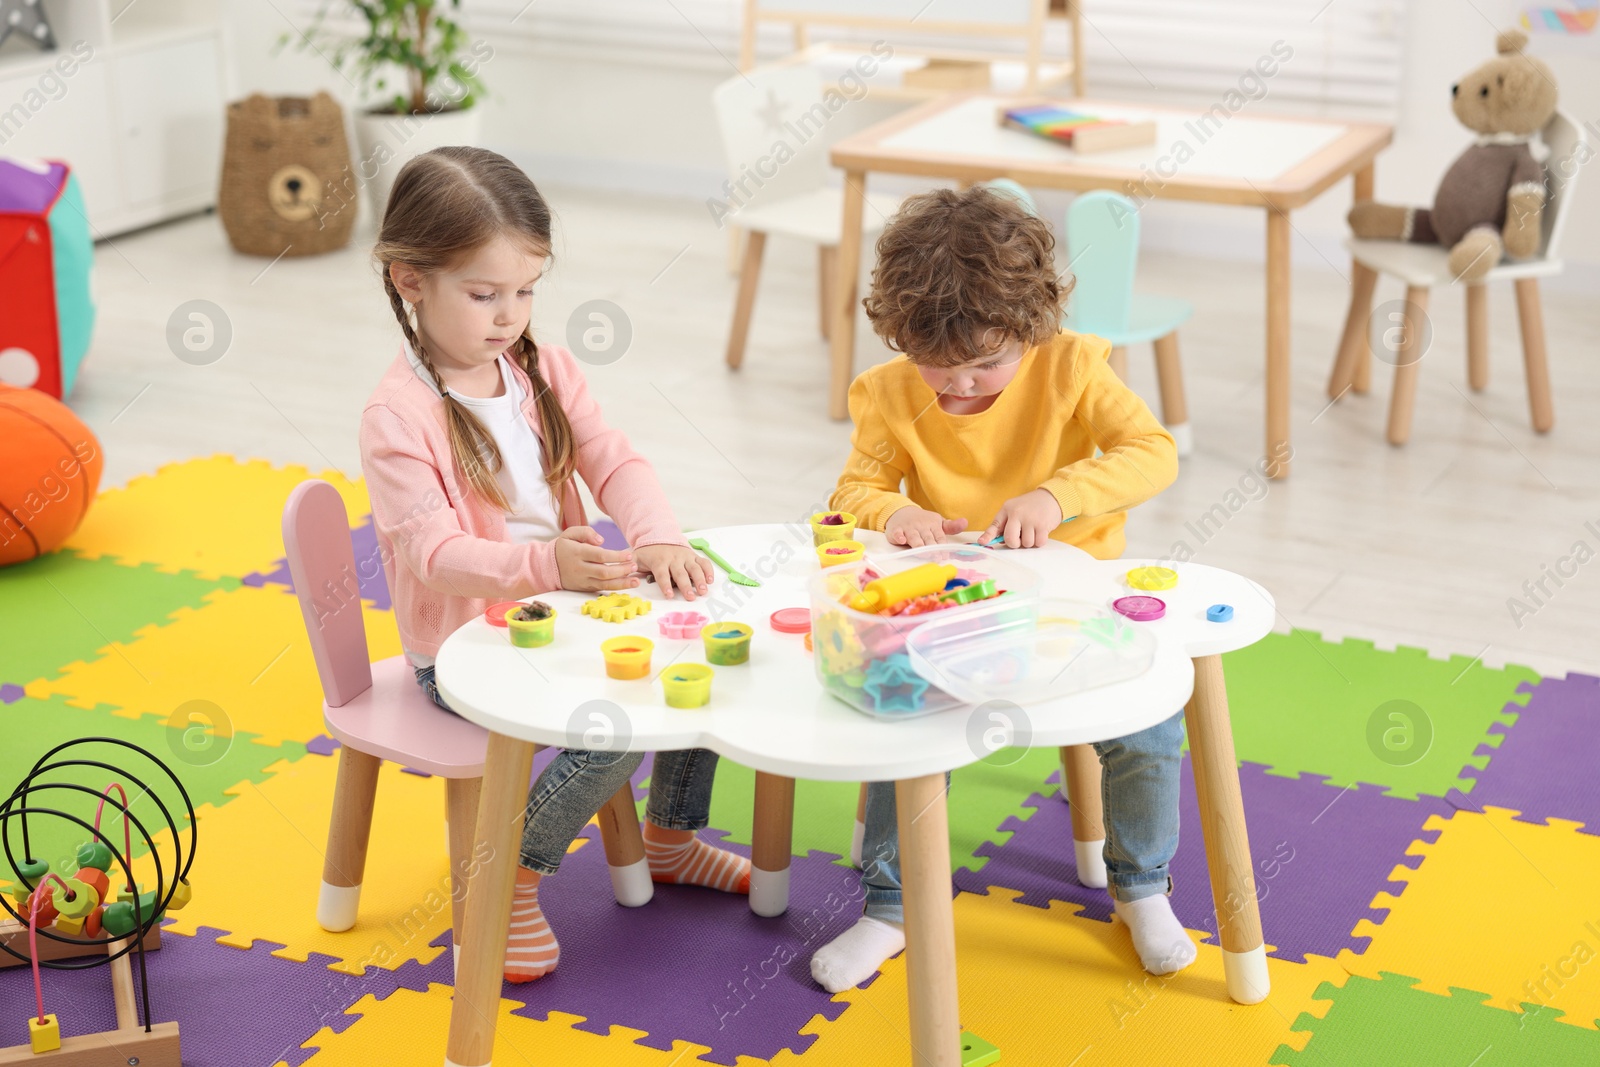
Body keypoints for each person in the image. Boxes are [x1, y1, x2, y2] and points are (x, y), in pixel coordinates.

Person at [360, 146, 748, 984]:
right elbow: (435, 555)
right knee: (616, 727)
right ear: (409, 280)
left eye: (527, 291)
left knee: (703, 644)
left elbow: (615, 459)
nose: (510, 316)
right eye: (484, 293)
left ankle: (672, 836)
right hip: (466, 643)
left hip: (561, 604)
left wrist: (658, 538)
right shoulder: (398, 416)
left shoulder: (541, 365)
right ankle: (512, 878)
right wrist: (547, 566)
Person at [814, 186, 1185, 992]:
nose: (965, 390)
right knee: (899, 713)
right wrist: (900, 510)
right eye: (939, 373)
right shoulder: (885, 392)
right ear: (901, 337)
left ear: (1031, 327)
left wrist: (1060, 495)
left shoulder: (1073, 366)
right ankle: (891, 904)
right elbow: (852, 493)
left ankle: (1144, 886)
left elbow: (1154, 452)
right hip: (954, 606)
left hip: (1068, 602)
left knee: (1152, 720)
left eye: (987, 366)